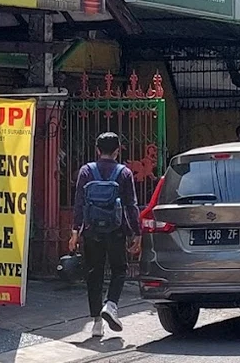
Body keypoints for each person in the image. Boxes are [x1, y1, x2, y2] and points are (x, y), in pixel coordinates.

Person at [69, 132, 142, 338]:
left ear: (97, 150)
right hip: (116, 230)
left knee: (94, 273)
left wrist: (75, 232)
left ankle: (96, 323)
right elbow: (131, 205)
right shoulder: (124, 173)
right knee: (119, 269)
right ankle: (111, 305)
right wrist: (136, 233)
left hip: (91, 231)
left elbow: (79, 204)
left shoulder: (86, 171)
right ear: (118, 151)